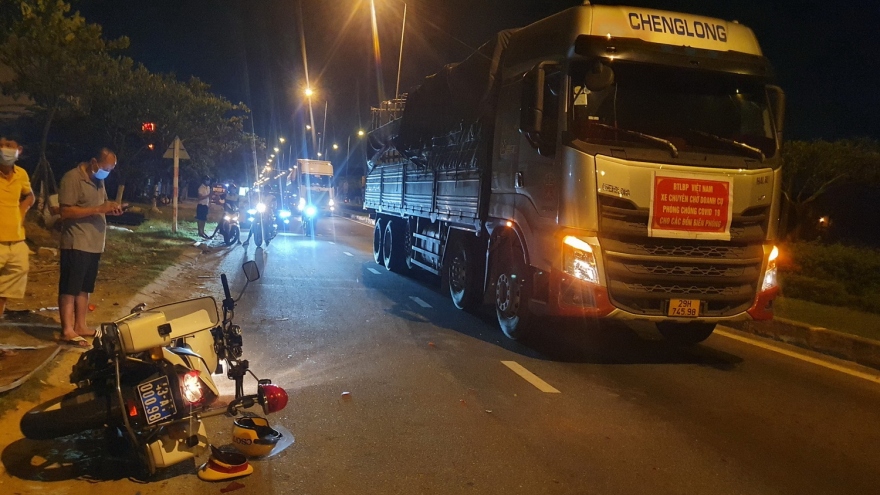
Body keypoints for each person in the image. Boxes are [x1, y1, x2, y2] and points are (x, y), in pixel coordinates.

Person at [57, 147, 122, 346]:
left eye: (110, 170)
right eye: (105, 168)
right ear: (94, 162)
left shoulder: (98, 180)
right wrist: (98, 209)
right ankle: (67, 330)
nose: (107, 173)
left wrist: (110, 208)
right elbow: (66, 211)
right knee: (70, 287)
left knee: (85, 287)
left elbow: (100, 204)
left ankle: (80, 325)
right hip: (77, 242)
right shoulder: (72, 178)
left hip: (94, 243)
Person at [0, 137, 35, 319]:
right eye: (0, 145)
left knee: (5, 290)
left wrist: (20, 214)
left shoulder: (21, 174)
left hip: (16, 241)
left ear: (18, 150)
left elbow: (30, 196)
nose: (3, 149)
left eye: (8, 146)